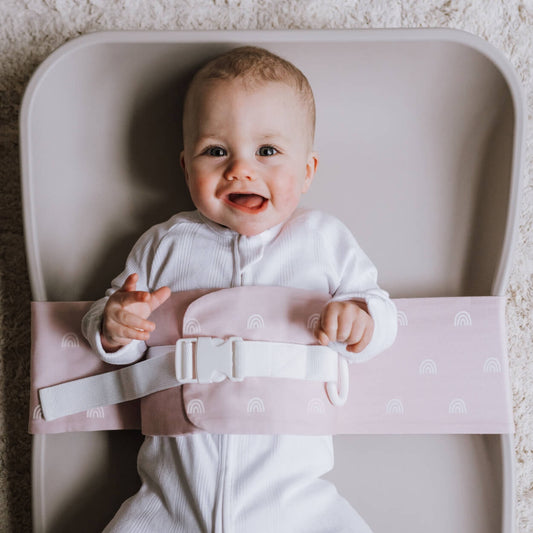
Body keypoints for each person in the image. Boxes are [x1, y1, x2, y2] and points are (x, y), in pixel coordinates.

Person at [82, 46, 397, 532]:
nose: (240, 169)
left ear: (308, 170)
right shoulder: (164, 244)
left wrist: (363, 318)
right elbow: (111, 332)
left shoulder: (323, 240)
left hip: (294, 502)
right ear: (187, 169)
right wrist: (113, 325)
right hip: (169, 499)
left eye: (267, 151)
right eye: (216, 151)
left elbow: (380, 313)